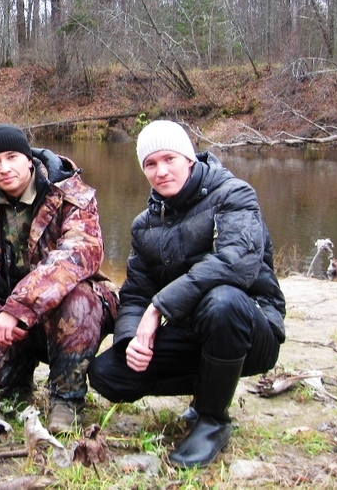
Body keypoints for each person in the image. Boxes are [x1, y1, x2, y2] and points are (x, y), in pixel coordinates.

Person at [88, 120, 286, 468]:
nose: (161, 171)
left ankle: (212, 418)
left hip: (251, 327)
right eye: (150, 164)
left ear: (189, 159)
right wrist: (132, 339)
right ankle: (213, 385)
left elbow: (236, 263)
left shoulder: (234, 195)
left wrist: (158, 308)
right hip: (192, 332)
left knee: (223, 301)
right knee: (107, 374)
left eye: (170, 159)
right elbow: (135, 293)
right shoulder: (144, 225)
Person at [0, 124, 118, 433]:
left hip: (64, 315)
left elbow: (78, 254)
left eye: (12, 157)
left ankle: (66, 398)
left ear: (28, 159)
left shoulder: (72, 196)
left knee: (78, 298)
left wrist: (18, 309)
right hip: (4, 319)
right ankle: (18, 371)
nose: (4, 168)